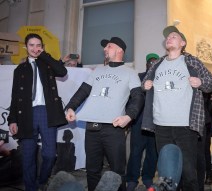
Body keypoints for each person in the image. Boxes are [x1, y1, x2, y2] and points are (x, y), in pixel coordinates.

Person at [64, 36, 144, 191]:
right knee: (92, 170)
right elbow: (82, 91)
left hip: (113, 129)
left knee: (117, 171)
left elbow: (138, 97)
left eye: (109, 46)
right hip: (92, 128)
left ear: (120, 50)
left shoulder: (130, 73)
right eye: (105, 47)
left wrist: (128, 116)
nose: (105, 49)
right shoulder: (98, 71)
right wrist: (70, 107)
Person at [141, 26, 212, 191]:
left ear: (182, 43)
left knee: (189, 172)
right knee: (167, 173)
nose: (169, 38)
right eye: (167, 37)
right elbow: (144, 82)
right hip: (160, 126)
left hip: (185, 127)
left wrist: (201, 83)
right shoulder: (158, 63)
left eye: (173, 36)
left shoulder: (191, 61)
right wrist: (145, 85)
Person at [7, 33, 68, 191]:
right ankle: (30, 188)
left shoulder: (46, 63)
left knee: (49, 154)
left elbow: (62, 71)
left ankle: (42, 180)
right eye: (31, 45)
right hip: (26, 115)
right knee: (28, 156)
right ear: (25, 47)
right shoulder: (20, 69)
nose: (35, 48)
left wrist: (45, 56)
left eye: (38, 45)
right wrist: (12, 120)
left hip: (46, 112)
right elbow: (15, 96)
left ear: (42, 46)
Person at [126, 53, 159, 191]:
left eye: (154, 63)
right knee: (135, 152)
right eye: (149, 62)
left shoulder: (160, 79)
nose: (151, 65)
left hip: (155, 122)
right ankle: (132, 179)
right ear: (146, 64)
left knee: (152, 153)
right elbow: (131, 99)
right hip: (138, 122)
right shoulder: (138, 77)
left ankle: (147, 178)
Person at [197, 92, 212, 190]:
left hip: (205, 124)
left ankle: (208, 175)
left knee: (205, 152)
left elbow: (209, 105)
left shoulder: (204, 87)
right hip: (191, 124)